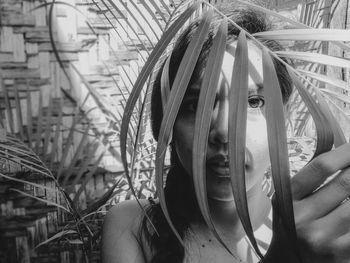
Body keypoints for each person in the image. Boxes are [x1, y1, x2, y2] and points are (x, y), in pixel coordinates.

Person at [101, 3, 350, 263]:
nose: (223, 131)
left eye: (254, 102)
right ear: (169, 123)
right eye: (196, 104)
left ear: (282, 121)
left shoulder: (325, 235)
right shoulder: (133, 226)